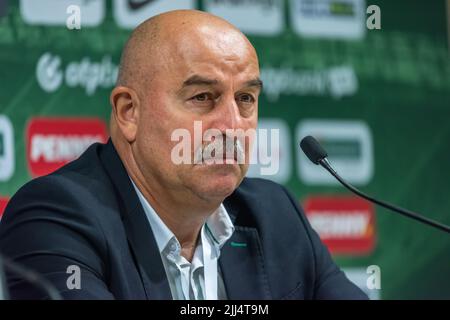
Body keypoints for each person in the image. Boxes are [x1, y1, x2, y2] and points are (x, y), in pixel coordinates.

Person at [0, 10, 367, 300]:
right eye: (203, 97)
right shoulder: (54, 218)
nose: (232, 126)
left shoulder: (276, 215)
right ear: (129, 112)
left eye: (246, 99)